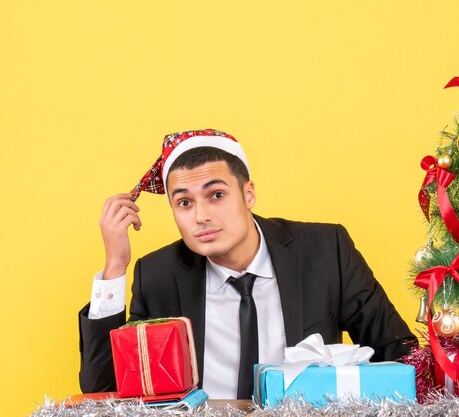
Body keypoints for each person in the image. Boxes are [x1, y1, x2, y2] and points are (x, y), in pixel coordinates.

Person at [78, 129, 415, 399]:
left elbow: (398, 352)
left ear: (248, 194)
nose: (202, 216)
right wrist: (115, 269)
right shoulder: (158, 275)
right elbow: (105, 392)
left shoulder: (326, 250)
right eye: (184, 202)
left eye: (217, 195)